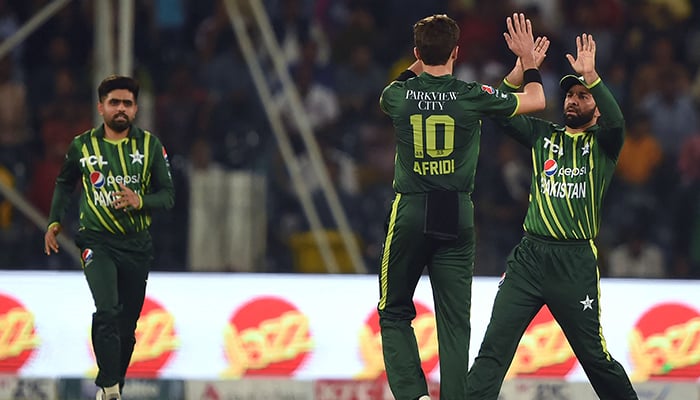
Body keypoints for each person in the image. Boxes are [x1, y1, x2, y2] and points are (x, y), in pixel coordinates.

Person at [377, 13, 545, 400]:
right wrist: (528, 65)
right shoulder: (470, 94)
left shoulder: (396, 97)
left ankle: (413, 394)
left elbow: (400, 84)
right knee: (455, 322)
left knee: (394, 309)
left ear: (417, 52)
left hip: (411, 209)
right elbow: (535, 100)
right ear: (457, 52)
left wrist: (422, 58)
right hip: (456, 211)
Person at [466, 34, 639, 399]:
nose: (572, 101)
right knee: (493, 351)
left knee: (595, 359)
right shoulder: (543, 135)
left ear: (596, 104)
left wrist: (593, 77)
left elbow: (618, 121)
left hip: (573, 263)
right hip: (529, 258)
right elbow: (499, 111)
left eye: (582, 95)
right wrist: (516, 75)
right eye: (570, 95)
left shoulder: (604, 145)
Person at [43, 75, 175, 400]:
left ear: (136, 109)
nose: (120, 109)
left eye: (127, 103)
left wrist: (139, 200)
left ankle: (113, 386)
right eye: (114, 102)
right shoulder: (81, 146)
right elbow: (63, 183)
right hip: (96, 241)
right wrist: (54, 222)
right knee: (106, 311)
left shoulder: (150, 146)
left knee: (127, 327)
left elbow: (168, 196)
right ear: (101, 107)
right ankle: (109, 387)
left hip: (136, 245)